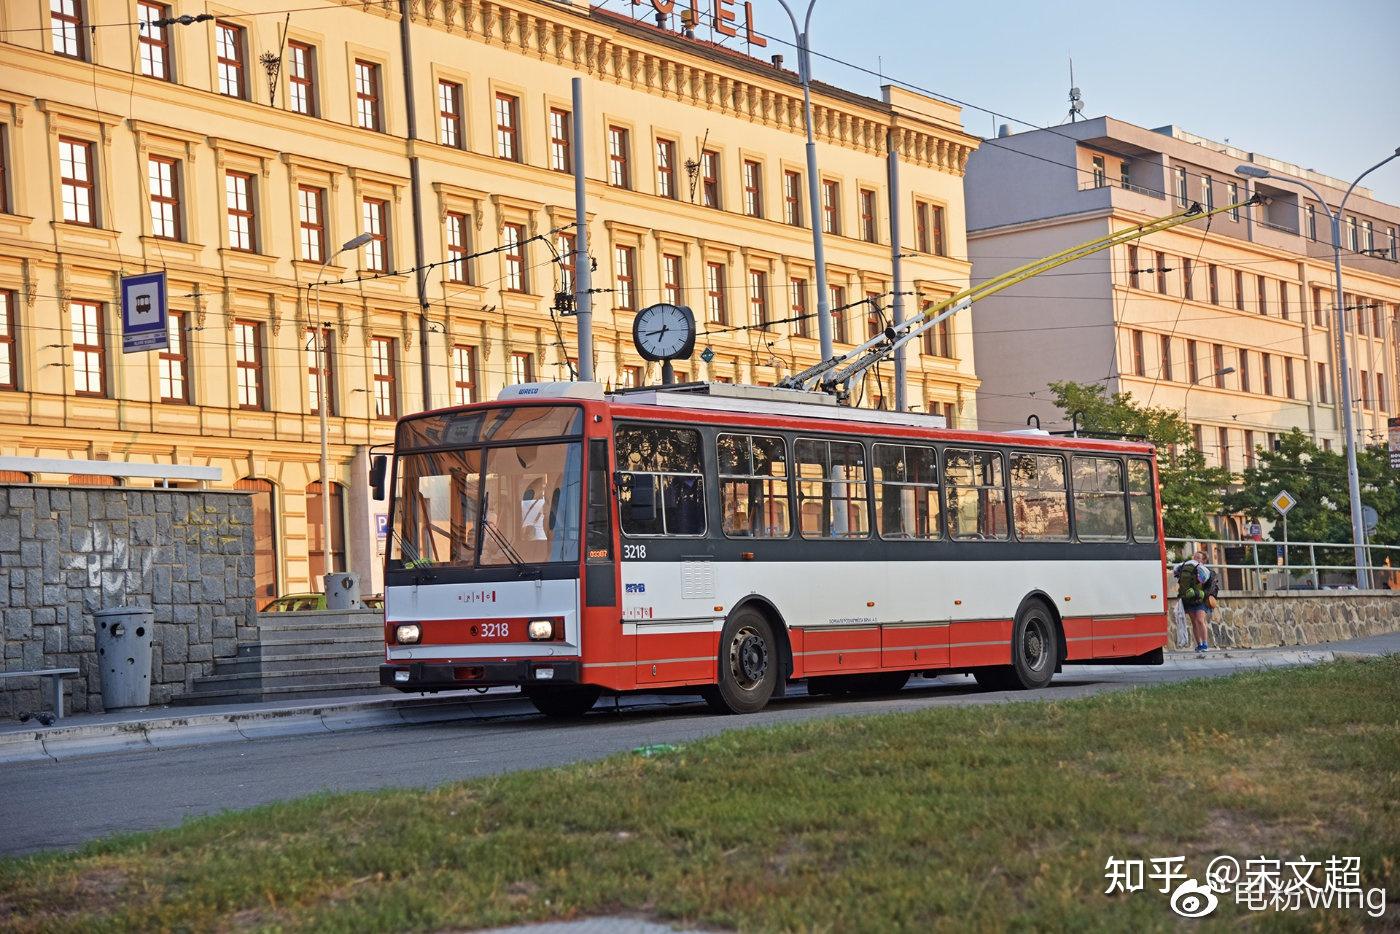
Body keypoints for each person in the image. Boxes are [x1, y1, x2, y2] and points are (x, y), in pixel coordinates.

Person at [1176, 550, 1215, 653]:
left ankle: (1205, 644)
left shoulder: (1208, 572)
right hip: (1189, 600)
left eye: (1198, 557)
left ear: (1203, 560)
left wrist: (1200, 593)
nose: (1195, 559)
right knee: (1194, 622)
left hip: (1201, 600)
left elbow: (1211, 588)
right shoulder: (1187, 570)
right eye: (1195, 557)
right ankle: (1199, 645)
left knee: (1200, 620)